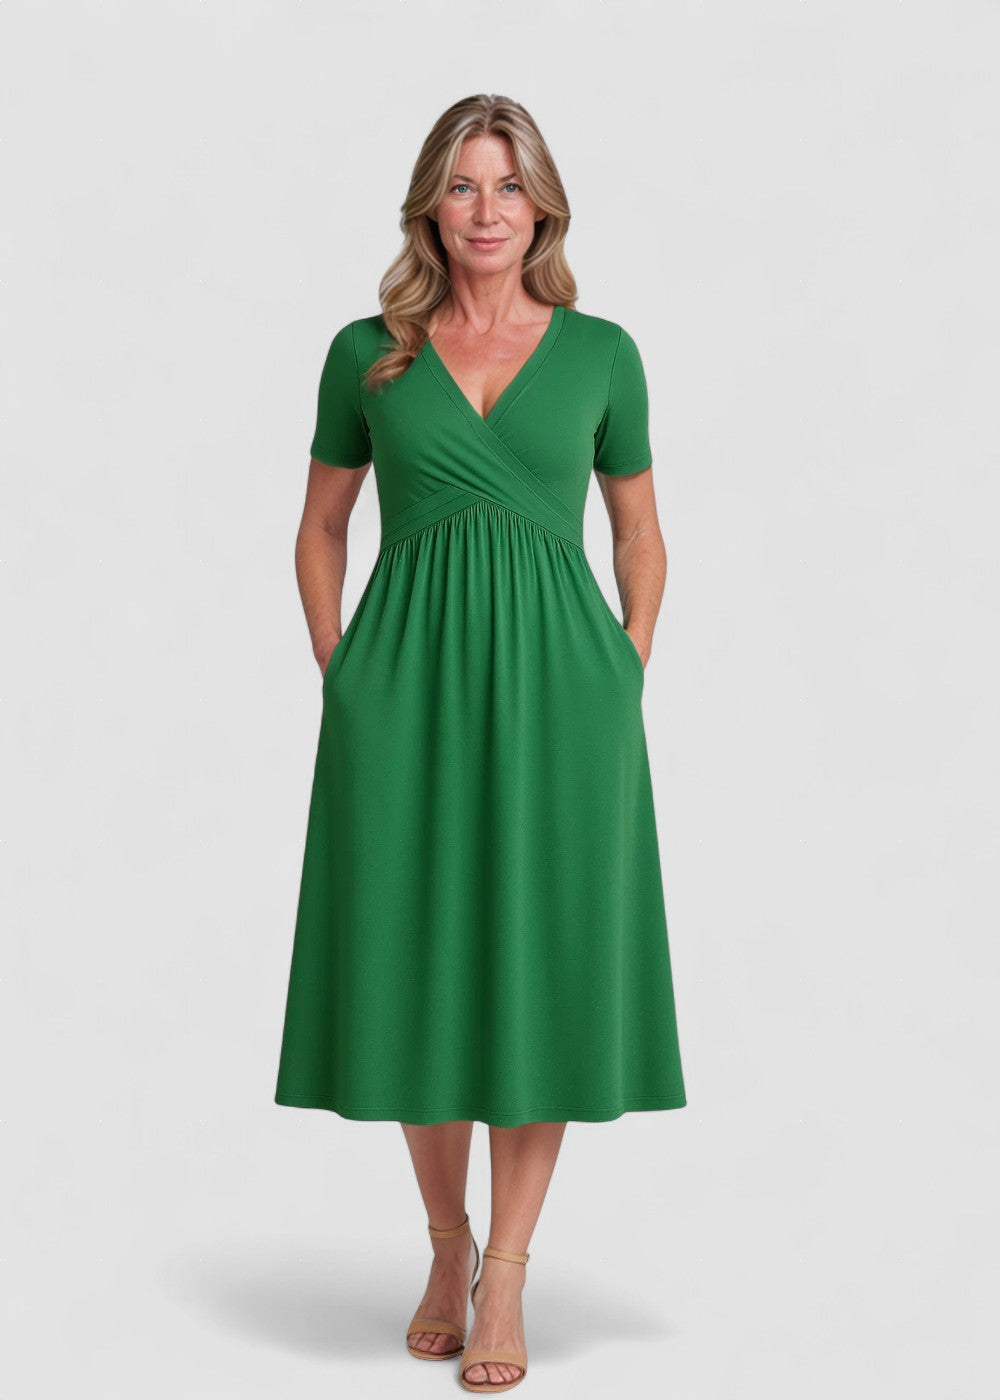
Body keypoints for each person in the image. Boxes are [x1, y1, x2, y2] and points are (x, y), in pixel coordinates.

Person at [274, 92, 687, 1393]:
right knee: (415, 957)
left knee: (541, 962)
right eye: (463, 185)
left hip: (567, 699)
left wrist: (623, 667)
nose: (488, 210)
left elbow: (639, 531)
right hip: (403, 693)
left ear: (543, 205)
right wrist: (343, 669)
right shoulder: (369, 355)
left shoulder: (605, 353)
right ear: (431, 209)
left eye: (509, 185)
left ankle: (506, 1266)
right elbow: (321, 526)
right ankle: (444, 1242)